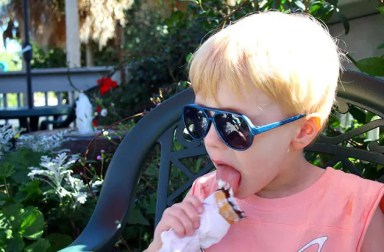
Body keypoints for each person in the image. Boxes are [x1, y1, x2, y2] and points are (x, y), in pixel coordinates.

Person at [146, 11, 384, 251]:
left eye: (232, 125)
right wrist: (162, 244)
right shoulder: (204, 196)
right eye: (200, 118)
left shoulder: (355, 209)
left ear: (302, 131)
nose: (211, 139)